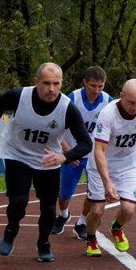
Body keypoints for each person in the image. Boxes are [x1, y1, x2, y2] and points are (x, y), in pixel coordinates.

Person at [0, 63, 92, 262]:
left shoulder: (67, 108)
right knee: (18, 201)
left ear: (61, 84)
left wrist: (64, 157)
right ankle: (11, 228)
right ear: (36, 82)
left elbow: (86, 143)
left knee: (49, 207)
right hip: (17, 154)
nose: (51, 89)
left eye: (56, 84)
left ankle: (43, 243)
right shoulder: (19, 96)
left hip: (48, 160)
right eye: (46, 83)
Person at [84, 79, 136, 257]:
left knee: (129, 209)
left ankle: (116, 229)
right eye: (131, 102)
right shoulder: (108, 114)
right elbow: (99, 150)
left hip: (128, 165)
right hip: (101, 164)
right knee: (98, 210)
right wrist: (107, 182)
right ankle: (91, 238)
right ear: (121, 96)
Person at [52, 66, 113, 239]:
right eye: (93, 86)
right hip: (73, 151)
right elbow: (56, 127)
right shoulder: (72, 99)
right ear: (84, 82)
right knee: (64, 194)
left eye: (100, 86)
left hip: (94, 155)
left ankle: (81, 222)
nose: (96, 90)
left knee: (94, 195)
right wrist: (67, 151)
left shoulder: (108, 101)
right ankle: (63, 215)